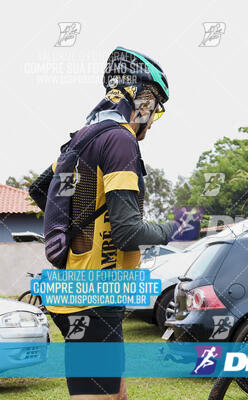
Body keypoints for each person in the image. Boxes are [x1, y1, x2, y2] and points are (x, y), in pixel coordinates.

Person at [29, 47, 177, 400]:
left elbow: (39, 191)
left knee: (118, 394)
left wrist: (78, 221)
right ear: (141, 99)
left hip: (79, 292)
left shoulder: (82, 138)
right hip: (95, 296)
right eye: (154, 107)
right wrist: (175, 228)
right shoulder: (120, 140)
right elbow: (128, 233)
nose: (153, 117)